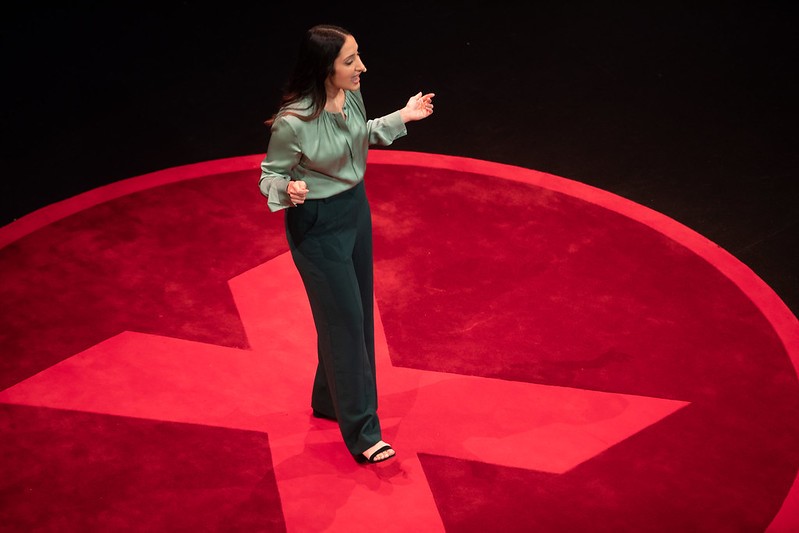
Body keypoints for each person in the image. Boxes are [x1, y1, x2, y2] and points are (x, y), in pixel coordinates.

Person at [258, 24, 435, 464]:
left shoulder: (351, 95)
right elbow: (269, 175)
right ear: (325, 67)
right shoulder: (292, 122)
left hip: (356, 209)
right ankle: (363, 431)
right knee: (347, 325)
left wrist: (403, 117)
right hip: (317, 224)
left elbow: (360, 135)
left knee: (351, 317)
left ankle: (328, 400)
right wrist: (287, 190)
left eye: (358, 56)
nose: (362, 67)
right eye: (350, 60)